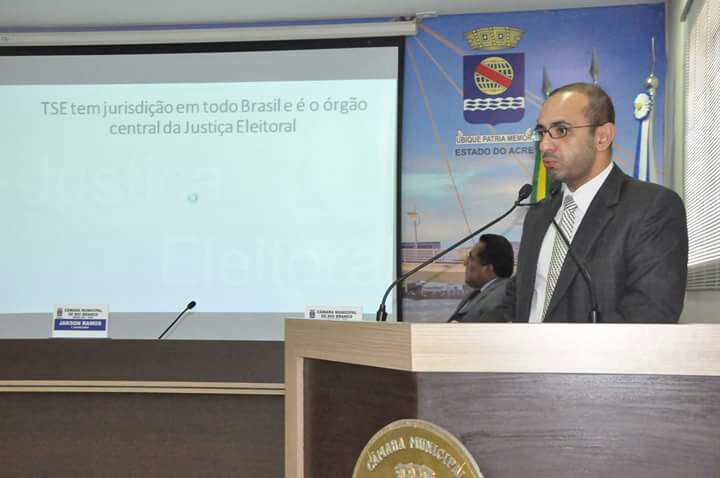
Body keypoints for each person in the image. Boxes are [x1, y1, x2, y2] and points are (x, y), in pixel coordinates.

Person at [487, 82, 688, 323]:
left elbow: (650, 314)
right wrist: (472, 332)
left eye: (561, 130)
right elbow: (518, 297)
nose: (544, 145)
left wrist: (554, 347)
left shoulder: (651, 207)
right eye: (542, 132)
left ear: (602, 137)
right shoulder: (539, 214)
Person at [448, 234, 514, 322]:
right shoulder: (480, 292)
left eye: (471, 258)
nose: (465, 263)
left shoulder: (500, 298)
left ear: (489, 269)